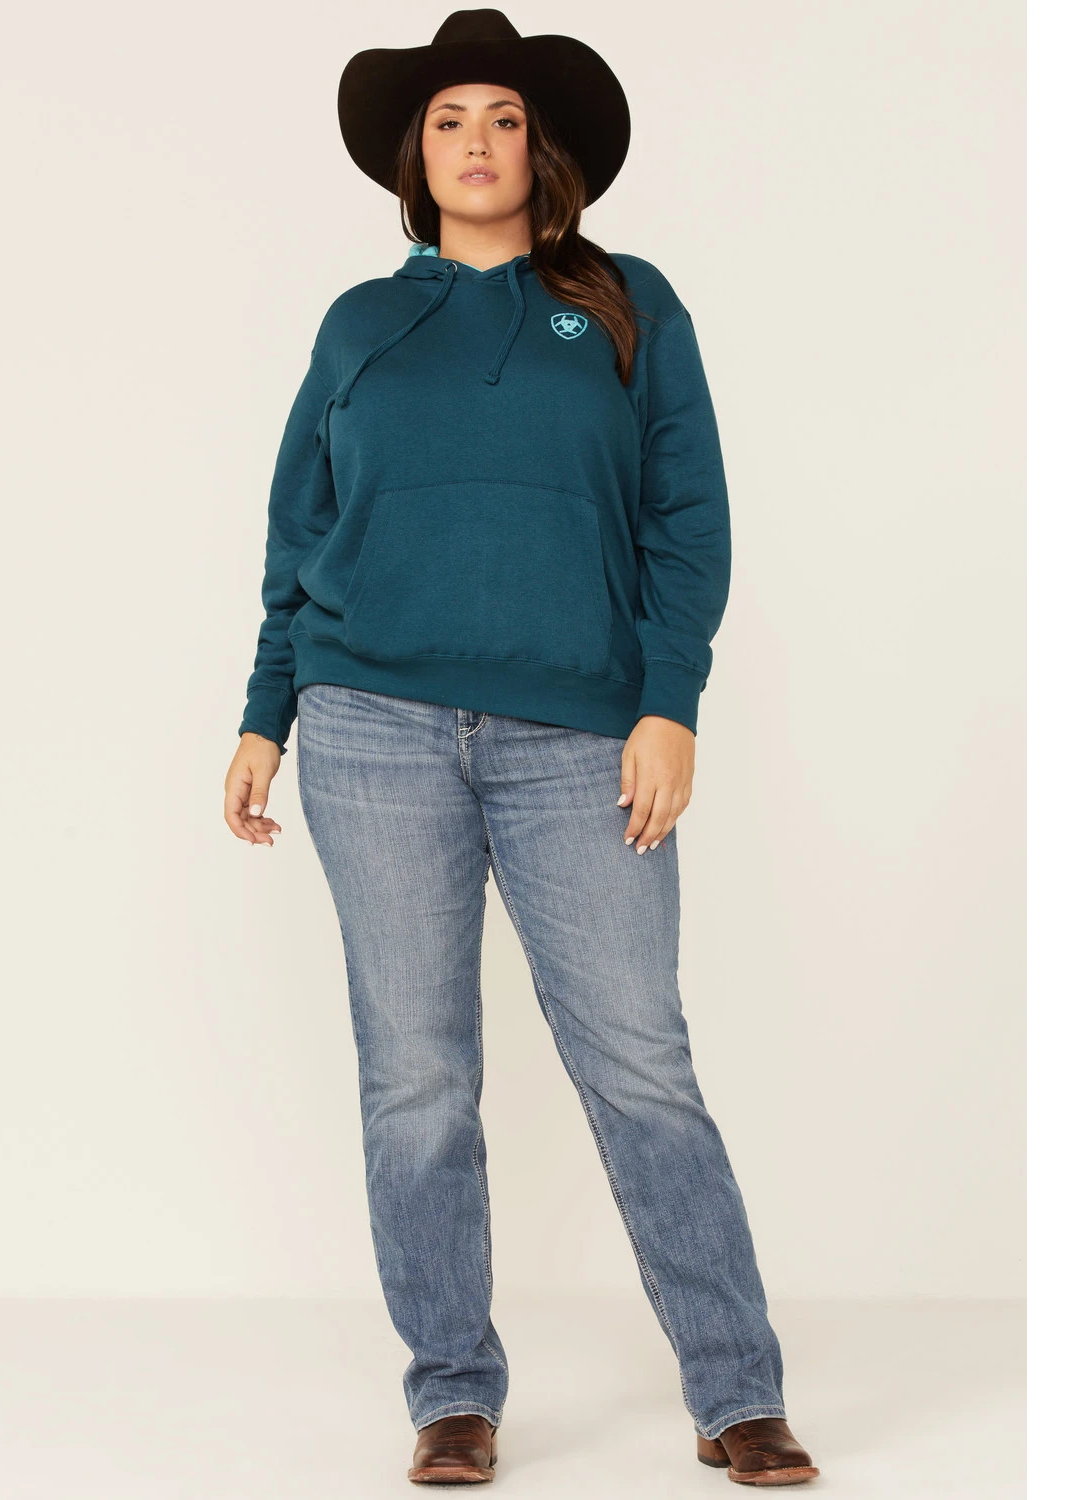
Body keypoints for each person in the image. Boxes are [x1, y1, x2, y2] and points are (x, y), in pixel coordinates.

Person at [224, 9, 819, 1489]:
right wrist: (264, 712)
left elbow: (688, 516)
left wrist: (669, 702)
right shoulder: (359, 324)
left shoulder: (626, 304)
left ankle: (736, 1392)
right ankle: (453, 1396)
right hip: (370, 727)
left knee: (641, 1064)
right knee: (416, 1080)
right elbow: (301, 528)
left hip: (580, 736)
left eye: (501, 117)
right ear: (414, 159)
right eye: (447, 120)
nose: (476, 141)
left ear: (540, 149)